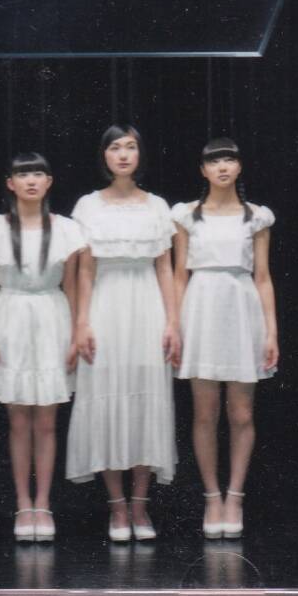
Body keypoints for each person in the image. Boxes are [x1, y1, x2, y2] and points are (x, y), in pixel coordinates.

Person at [66, 126, 179, 542]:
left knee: (146, 401)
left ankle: (140, 505)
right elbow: (84, 271)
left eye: (131, 147)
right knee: (107, 400)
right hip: (105, 306)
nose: (124, 154)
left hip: (147, 306)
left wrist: (172, 321)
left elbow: (165, 268)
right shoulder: (88, 206)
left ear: (140, 154)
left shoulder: (157, 206)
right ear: (104, 156)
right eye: (115, 147)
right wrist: (81, 322)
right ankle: (116, 506)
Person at [172, 138, 277, 538]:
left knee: (242, 414)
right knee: (205, 412)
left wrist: (271, 331)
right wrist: (176, 326)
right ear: (203, 170)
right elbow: (179, 276)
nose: (222, 167)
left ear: (239, 166)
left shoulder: (256, 217)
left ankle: (235, 496)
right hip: (201, 310)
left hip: (242, 310)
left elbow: (263, 278)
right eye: (214, 162)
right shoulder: (186, 216)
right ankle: (212, 497)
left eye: (229, 160)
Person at [0, 152, 85, 542]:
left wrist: (75, 334)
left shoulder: (66, 228)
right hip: (10, 318)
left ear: (49, 181)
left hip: (52, 317)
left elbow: (72, 286)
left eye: (39, 173)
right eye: (23, 174)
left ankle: (44, 503)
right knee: (19, 421)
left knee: (47, 421)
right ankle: (23, 503)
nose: (31, 181)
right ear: (11, 183)